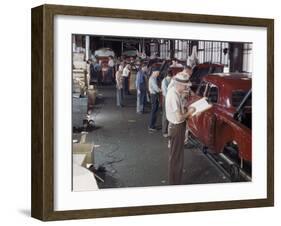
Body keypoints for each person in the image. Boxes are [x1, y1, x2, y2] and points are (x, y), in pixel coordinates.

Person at [165, 72, 196, 185]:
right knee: (176, 157)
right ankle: (174, 183)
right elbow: (179, 117)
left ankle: (174, 181)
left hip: (176, 127)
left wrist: (185, 108)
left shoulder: (175, 92)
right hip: (177, 127)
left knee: (176, 155)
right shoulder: (173, 96)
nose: (186, 88)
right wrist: (190, 112)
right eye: (185, 86)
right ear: (178, 84)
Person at [161, 70, 172, 137]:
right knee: (165, 115)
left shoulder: (166, 80)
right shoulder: (164, 81)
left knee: (168, 114)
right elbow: (165, 92)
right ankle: (164, 131)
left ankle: (167, 130)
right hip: (166, 98)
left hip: (168, 98)